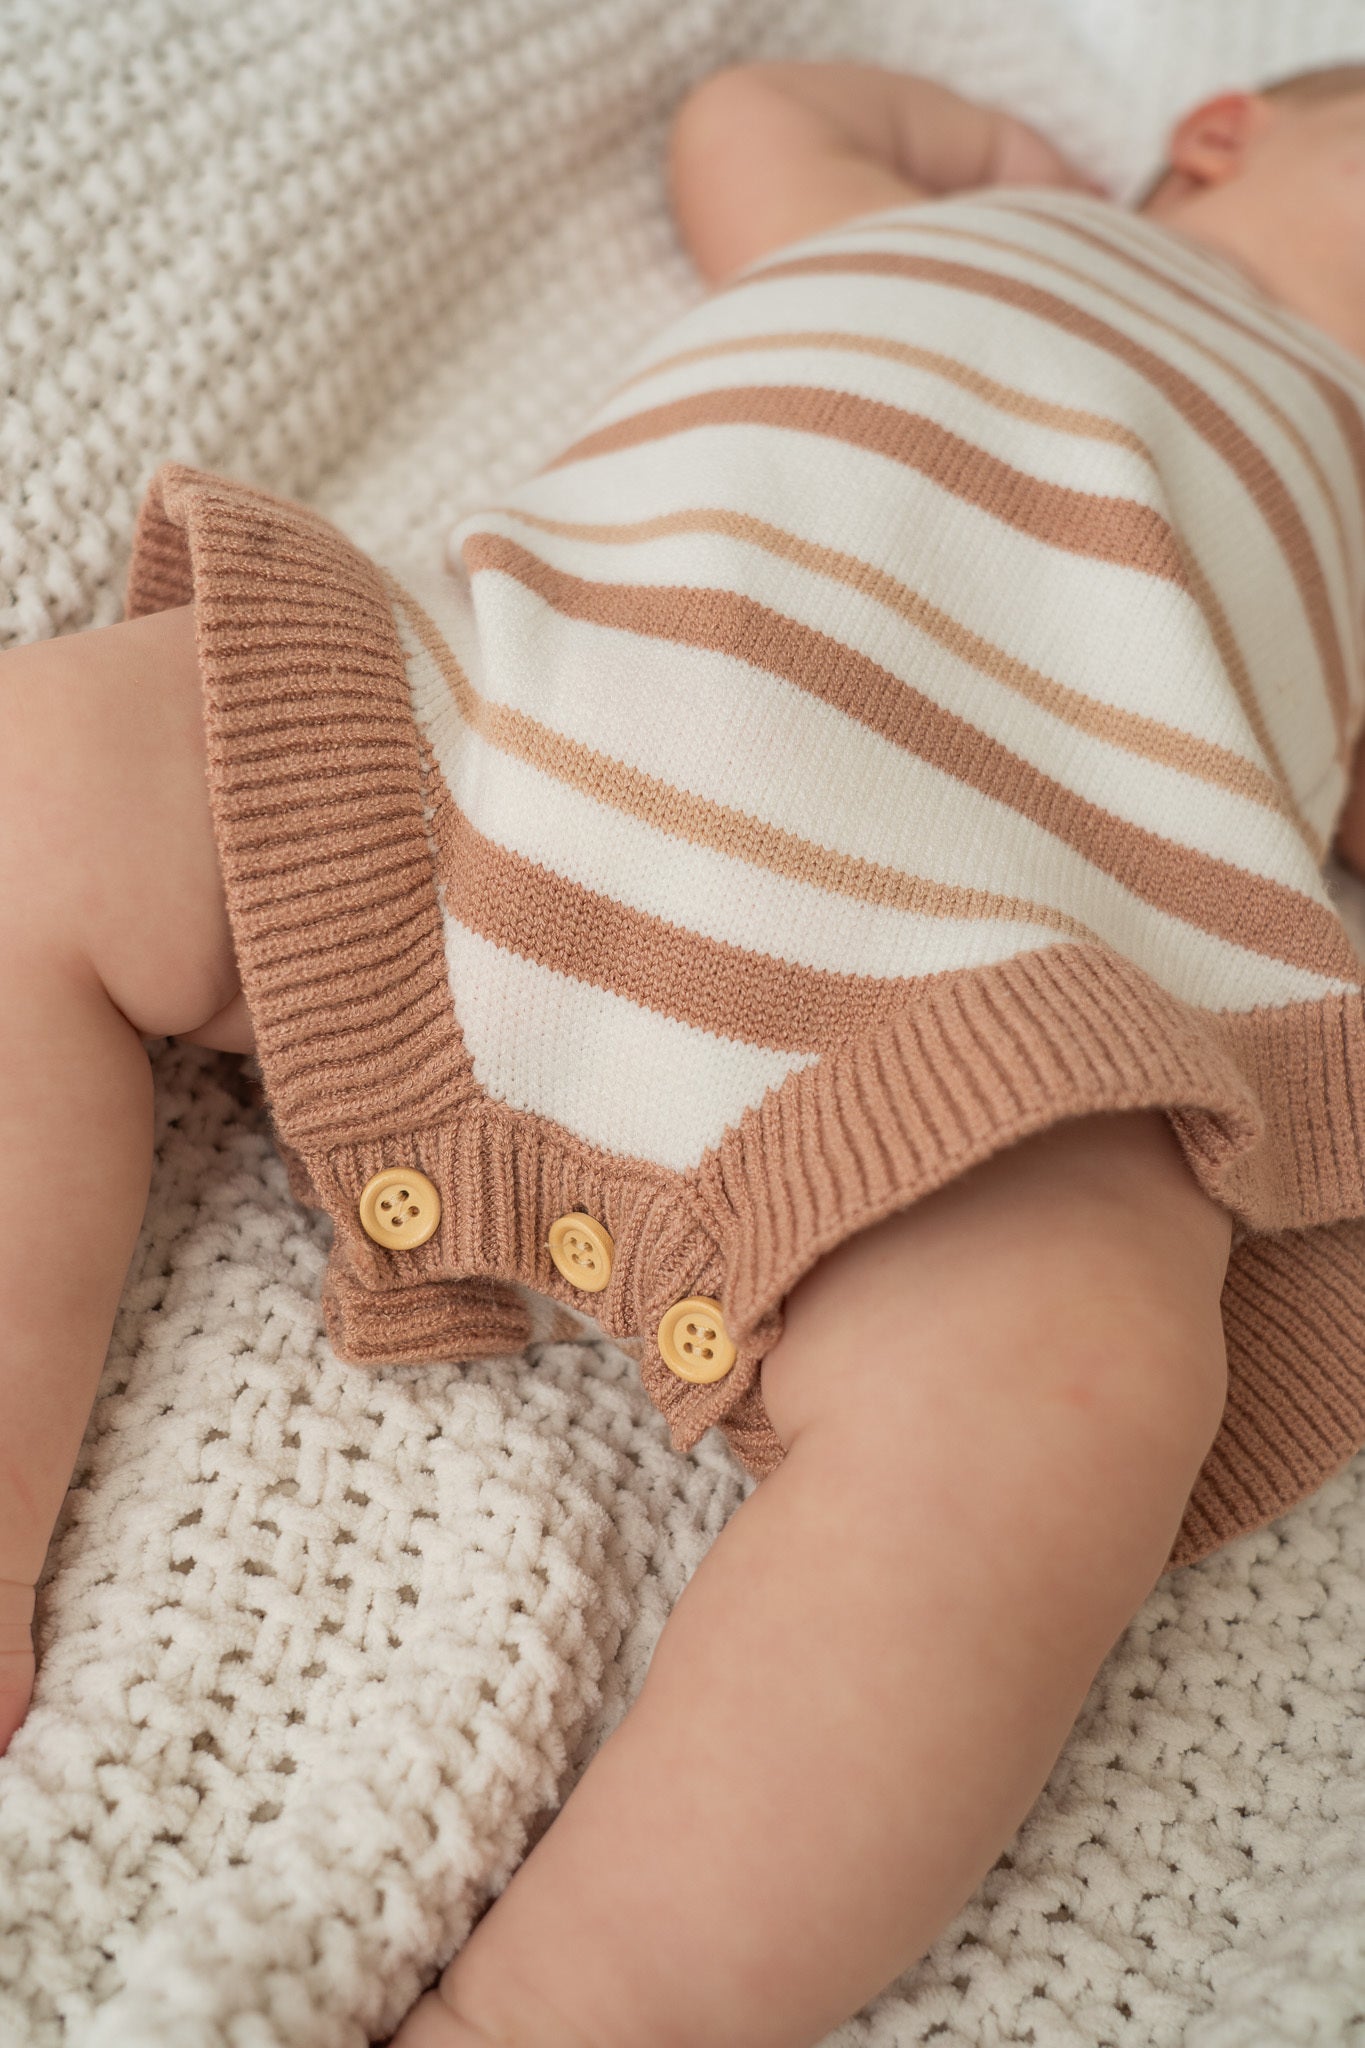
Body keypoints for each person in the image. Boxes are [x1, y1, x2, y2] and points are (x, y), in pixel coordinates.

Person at [6, 54, 1365, 2048]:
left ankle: (553, 2012)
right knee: (49, 782)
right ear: (1223, 135)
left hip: (987, 991)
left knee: (1076, 1387)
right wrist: (1008, 153)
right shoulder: (957, 232)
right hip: (540, 717)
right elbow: (745, 113)